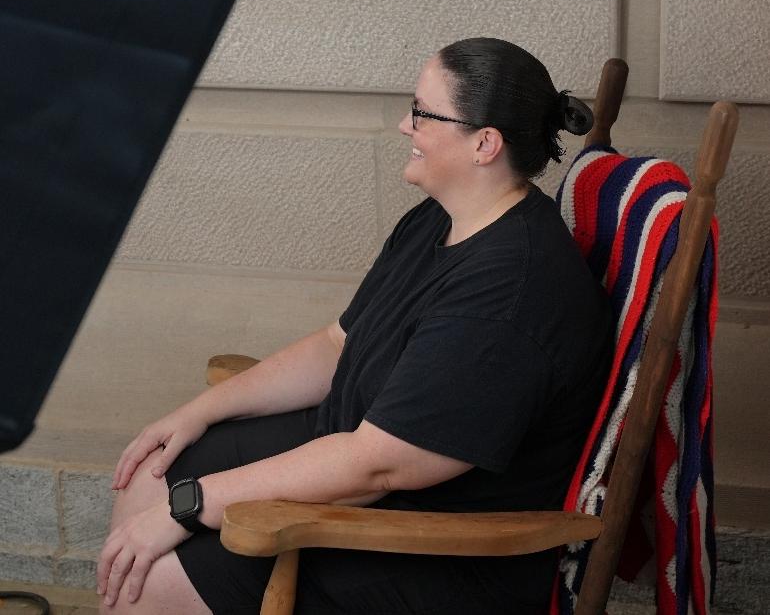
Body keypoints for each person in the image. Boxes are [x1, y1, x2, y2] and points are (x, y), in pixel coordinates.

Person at [97, 37, 613, 614]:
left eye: (422, 112)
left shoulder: (508, 295)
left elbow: (378, 464)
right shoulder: (440, 219)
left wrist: (191, 507)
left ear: (484, 144)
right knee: (150, 473)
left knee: (156, 576)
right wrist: (197, 413)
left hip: (437, 549)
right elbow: (336, 345)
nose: (403, 124)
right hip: (356, 461)